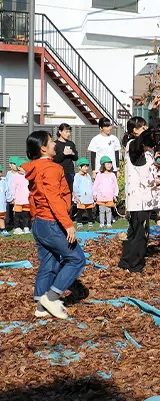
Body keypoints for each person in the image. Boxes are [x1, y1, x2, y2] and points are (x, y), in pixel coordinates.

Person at [23, 131, 86, 319]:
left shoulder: (35, 168)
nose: (55, 144)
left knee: (49, 263)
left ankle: (41, 308)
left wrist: (36, 220)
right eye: (51, 142)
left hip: (39, 223)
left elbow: (35, 197)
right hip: (51, 222)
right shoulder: (51, 169)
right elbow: (53, 198)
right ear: (43, 148)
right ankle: (51, 297)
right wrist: (67, 224)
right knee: (77, 259)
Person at [118, 117, 160, 273]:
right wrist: (151, 114)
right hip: (139, 199)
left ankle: (126, 262)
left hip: (141, 197)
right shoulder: (133, 145)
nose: (146, 130)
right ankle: (135, 265)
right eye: (142, 127)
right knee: (141, 233)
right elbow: (145, 138)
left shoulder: (144, 149)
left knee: (133, 231)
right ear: (134, 131)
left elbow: (152, 138)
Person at [93, 156, 119, 229]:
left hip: (109, 197)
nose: (109, 165)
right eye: (107, 164)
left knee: (108, 210)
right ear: (103, 165)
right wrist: (94, 194)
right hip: (101, 197)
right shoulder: (99, 175)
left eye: (110, 164)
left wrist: (115, 195)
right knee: (101, 210)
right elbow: (95, 185)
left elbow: (115, 186)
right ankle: (102, 223)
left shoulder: (112, 175)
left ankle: (108, 223)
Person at [53, 124, 79, 193]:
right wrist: (63, 154)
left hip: (70, 171)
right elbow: (54, 159)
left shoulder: (71, 144)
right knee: (59, 192)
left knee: (69, 191)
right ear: (60, 132)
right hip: (58, 172)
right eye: (66, 132)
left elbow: (76, 158)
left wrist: (72, 153)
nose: (68, 134)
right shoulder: (55, 144)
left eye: (69, 132)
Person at [10, 158, 31, 235]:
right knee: (17, 215)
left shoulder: (28, 176)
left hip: (27, 200)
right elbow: (12, 188)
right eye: (23, 167)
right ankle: (16, 228)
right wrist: (12, 198)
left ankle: (26, 227)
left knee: (26, 215)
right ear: (19, 167)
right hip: (18, 200)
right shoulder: (15, 177)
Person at [73, 158, 95, 229]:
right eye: (85, 166)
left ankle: (90, 222)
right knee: (80, 210)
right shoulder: (77, 176)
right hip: (81, 197)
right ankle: (79, 222)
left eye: (87, 166)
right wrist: (76, 196)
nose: (86, 168)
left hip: (89, 196)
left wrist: (93, 194)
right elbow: (75, 186)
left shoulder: (88, 175)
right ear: (80, 167)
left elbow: (91, 185)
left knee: (89, 210)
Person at [5, 156, 18, 228]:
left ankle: (18, 223)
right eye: (14, 164)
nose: (16, 166)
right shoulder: (9, 173)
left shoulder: (20, 173)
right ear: (10, 165)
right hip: (10, 195)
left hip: (17, 195)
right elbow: (7, 184)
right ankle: (9, 222)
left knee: (18, 211)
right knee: (9, 210)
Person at [0, 165, 13, 236]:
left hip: (1, 205)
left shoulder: (3, 182)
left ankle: (3, 229)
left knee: (1, 218)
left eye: (0, 172)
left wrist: (10, 199)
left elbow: (7, 192)